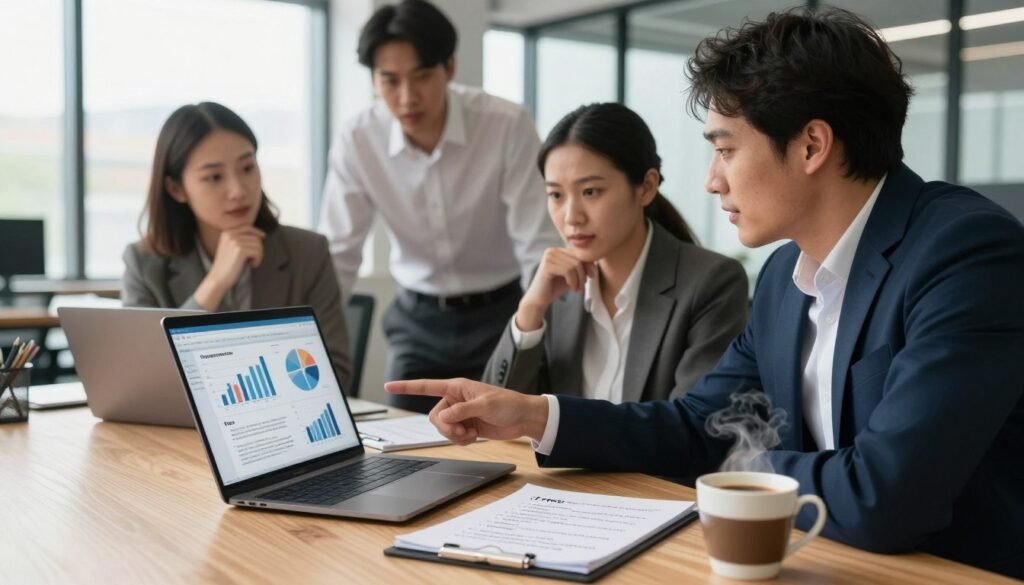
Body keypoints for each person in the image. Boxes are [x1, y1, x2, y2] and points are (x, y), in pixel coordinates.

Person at [386, 8, 1024, 578]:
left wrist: (736, 469)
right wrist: (535, 415)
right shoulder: (783, 277)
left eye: (725, 150)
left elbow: (886, 496)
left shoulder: (966, 254)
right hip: (821, 559)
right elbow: (700, 425)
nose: (713, 181)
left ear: (811, 144)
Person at [317, 0, 560, 413]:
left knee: (507, 438)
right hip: (418, 319)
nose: (407, 97)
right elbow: (338, 256)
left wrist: (539, 328)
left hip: (502, 310)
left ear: (449, 66)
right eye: (389, 80)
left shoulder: (504, 124)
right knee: (403, 439)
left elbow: (536, 244)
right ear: (374, 80)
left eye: (422, 76)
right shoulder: (358, 139)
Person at [481, 103, 748, 402]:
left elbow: (691, 428)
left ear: (646, 187)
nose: (571, 217)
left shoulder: (710, 283)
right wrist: (530, 310)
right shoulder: (552, 287)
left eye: (590, 192)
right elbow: (497, 412)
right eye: (556, 195)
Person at [123, 102, 353, 389]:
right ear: (176, 189)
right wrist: (215, 284)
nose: (238, 190)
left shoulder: (308, 252)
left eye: (247, 167)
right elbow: (142, 381)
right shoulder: (143, 262)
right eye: (214, 177)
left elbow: (336, 373)